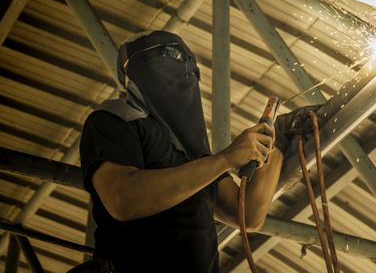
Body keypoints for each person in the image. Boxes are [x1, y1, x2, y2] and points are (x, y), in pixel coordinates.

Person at [77, 30, 313, 273]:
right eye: (165, 59)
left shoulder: (194, 154)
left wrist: (276, 145)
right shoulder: (117, 120)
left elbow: (246, 215)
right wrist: (225, 158)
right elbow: (123, 199)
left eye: (185, 62)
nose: (181, 72)